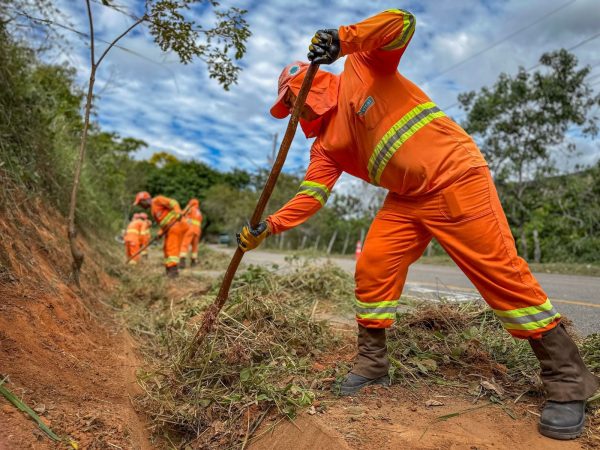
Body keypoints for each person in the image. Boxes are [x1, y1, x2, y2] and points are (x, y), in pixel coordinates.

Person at [237, 9, 598, 440]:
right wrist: (268, 226)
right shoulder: (325, 149)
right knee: (372, 267)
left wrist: (343, 39)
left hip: (456, 177)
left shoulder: (362, 64)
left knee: (500, 275)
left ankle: (568, 380)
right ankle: (373, 363)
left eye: (292, 100)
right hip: (407, 201)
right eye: (288, 107)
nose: (293, 111)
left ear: (306, 85)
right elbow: (311, 198)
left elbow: (402, 22)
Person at [133, 191, 188, 278]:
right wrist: (160, 233)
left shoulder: (158, 200)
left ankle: (173, 273)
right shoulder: (153, 210)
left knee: (171, 247)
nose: (141, 206)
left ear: (145, 200)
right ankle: (169, 270)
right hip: (170, 228)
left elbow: (173, 202)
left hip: (177, 224)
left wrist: (178, 212)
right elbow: (164, 224)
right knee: (166, 248)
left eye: (140, 203)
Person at [179, 198, 203, 268]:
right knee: (195, 246)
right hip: (197, 230)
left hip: (190, 229)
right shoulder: (199, 211)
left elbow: (182, 214)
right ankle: (193, 262)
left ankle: (182, 261)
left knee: (185, 244)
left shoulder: (191, 208)